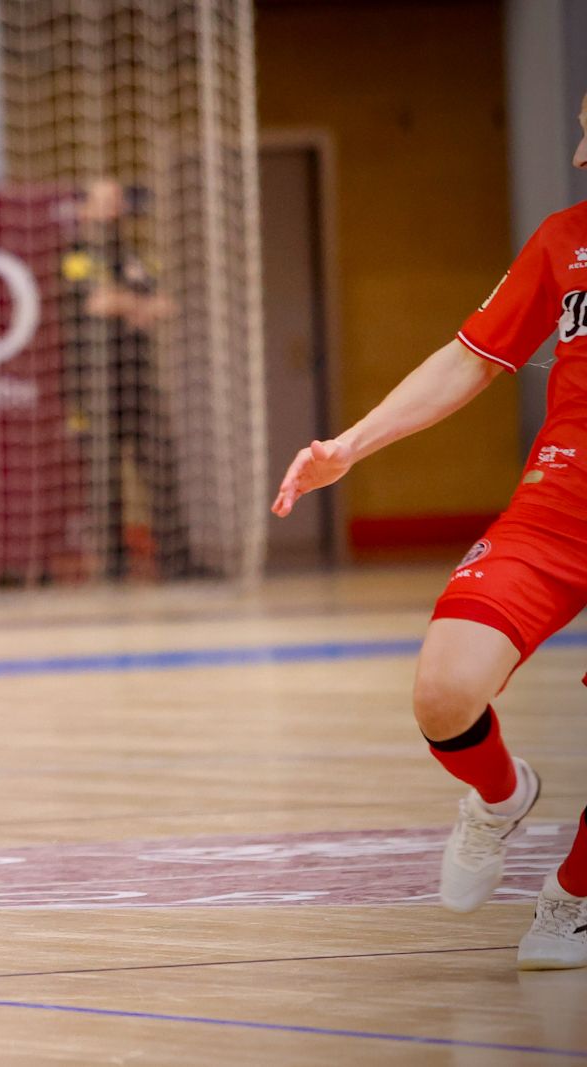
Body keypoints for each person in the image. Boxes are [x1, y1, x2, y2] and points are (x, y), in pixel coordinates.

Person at [272, 92, 587, 971]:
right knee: (444, 692)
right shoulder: (566, 241)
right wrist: (350, 445)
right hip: (562, 504)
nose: (582, 157)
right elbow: (469, 358)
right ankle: (498, 797)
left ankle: (573, 899)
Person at [60, 178, 192, 580]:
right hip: (94, 388)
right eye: (105, 203)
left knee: (161, 467)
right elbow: (97, 303)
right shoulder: (77, 256)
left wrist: (126, 303)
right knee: (104, 479)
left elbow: (165, 304)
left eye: (117, 203)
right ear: (85, 210)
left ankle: (177, 562)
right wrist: (134, 305)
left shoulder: (133, 256)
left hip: (138, 381)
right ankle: (113, 569)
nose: (114, 211)